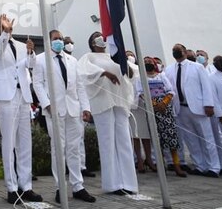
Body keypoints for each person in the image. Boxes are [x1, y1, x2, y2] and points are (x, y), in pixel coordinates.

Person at [33, 30, 96, 203]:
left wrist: (86, 107)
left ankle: (78, 186)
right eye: (56, 39)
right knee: (58, 149)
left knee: (74, 149)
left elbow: (80, 86)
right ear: (48, 41)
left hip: (73, 109)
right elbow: (37, 84)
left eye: (61, 38)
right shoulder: (40, 59)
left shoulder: (72, 60)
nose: (59, 41)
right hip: (54, 110)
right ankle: (60, 187)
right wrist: (46, 104)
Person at [0, 15, 42, 203]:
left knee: (25, 143)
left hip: (23, 95)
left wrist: (31, 52)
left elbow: (30, 65)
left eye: (9, 25)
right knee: (9, 142)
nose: (8, 27)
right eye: (3, 25)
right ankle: (11, 188)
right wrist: (5, 33)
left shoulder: (20, 45)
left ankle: (26, 186)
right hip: (6, 97)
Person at [78, 32, 138, 196]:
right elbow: (83, 74)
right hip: (102, 101)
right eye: (97, 37)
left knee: (124, 140)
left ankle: (128, 182)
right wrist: (104, 73)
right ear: (92, 43)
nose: (101, 38)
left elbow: (131, 74)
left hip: (119, 101)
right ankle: (113, 184)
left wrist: (124, 64)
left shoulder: (114, 55)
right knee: (107, 141)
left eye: (101, 35)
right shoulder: (89, 57)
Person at [164, 43, 221, 177]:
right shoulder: (169, 69)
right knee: (191, 139)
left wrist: (209, 104)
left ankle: (214, 167)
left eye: (178, 50)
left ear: (185, 52)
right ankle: (199, 165)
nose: (176, 52)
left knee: (206, 138)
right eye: (174, 50)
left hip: (198, 107)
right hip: (180, 108)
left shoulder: (197, 67)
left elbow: (206, 87)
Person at [138, 57, 187, 177]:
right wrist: (154, 104)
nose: (148, 63)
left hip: (165, 109)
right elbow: (140, 93)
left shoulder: (162, 76)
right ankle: (161, 165)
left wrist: (164, 103)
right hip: (152, 110)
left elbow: (170, 91)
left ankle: (176, 165)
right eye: (145, 62)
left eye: (150, 62)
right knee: (157, 139)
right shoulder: (140, 78)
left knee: (171, 138)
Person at [64, 36, 96, 179]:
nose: (70, 45)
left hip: (76, 105)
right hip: (62, 107)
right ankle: (67, 166)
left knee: (79, 138)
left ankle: (81, 166)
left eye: (72, 42)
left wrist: (85, 107)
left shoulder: (75, 61)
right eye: (67, 43)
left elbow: (80, 86)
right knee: (65, 140)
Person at [127, 50, 154, 174]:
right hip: (131, 105)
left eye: (131, 55)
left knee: (146, 135)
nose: (129, 57)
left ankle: (149, 158)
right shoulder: (124, 69)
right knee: (135, 135)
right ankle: (139, 160)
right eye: (127, 55)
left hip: (142, 104)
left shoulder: (140, 69)